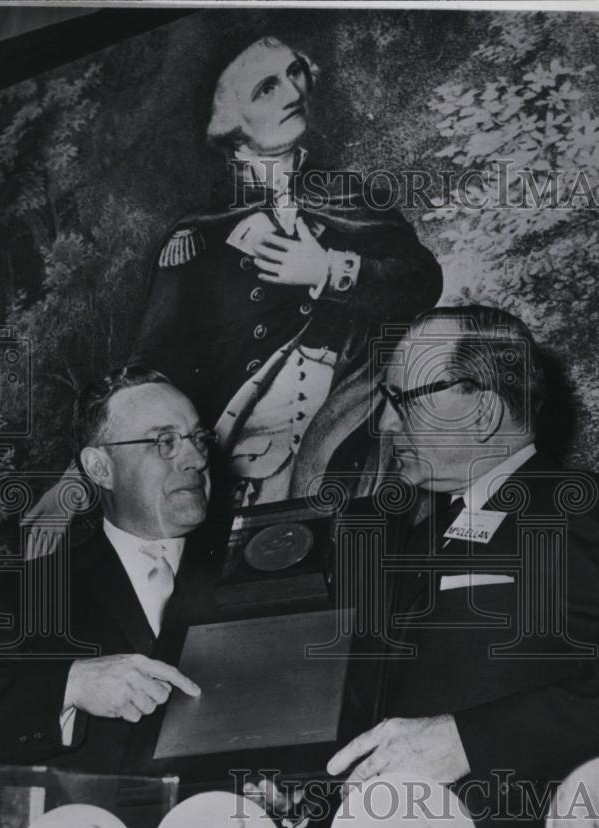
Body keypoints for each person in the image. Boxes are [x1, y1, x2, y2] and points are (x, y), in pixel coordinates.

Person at [328, 306, 599, 828]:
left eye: (400, 402)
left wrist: (469, 740)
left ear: (481, 408)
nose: (385, 426)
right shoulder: (406, 537)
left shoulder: (591, 509)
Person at [130, 34, 443, 507]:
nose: (294, 94)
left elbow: (421, 281)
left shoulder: (349, 193)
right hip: (247, 453)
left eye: (295, 72)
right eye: (267, 88)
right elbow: (151, 366)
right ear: (227, 119)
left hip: (361, 423)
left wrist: (329, 269)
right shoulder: (198, 234)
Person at [0, 367, 219, 776]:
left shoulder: (258, 572)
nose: (195, 458)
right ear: (100, 467)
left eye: (198, 438)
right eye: (164, 442)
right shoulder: (22, 594)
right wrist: (70, 684)